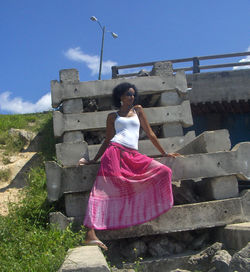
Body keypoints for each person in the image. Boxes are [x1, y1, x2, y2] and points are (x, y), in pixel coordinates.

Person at [78, 82, 180, 250]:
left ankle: (140, 213)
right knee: (102, 190)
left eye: (133, 94)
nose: (131, 97)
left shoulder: (138, 110)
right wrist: (94, 160)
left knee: (164, 171)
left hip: (133, 155)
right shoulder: (112, 116)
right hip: (114, 153)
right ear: (120, 96)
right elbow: (108, 140)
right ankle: (90, 234)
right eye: (128, 94)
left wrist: (164, 153)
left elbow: (150, 133)